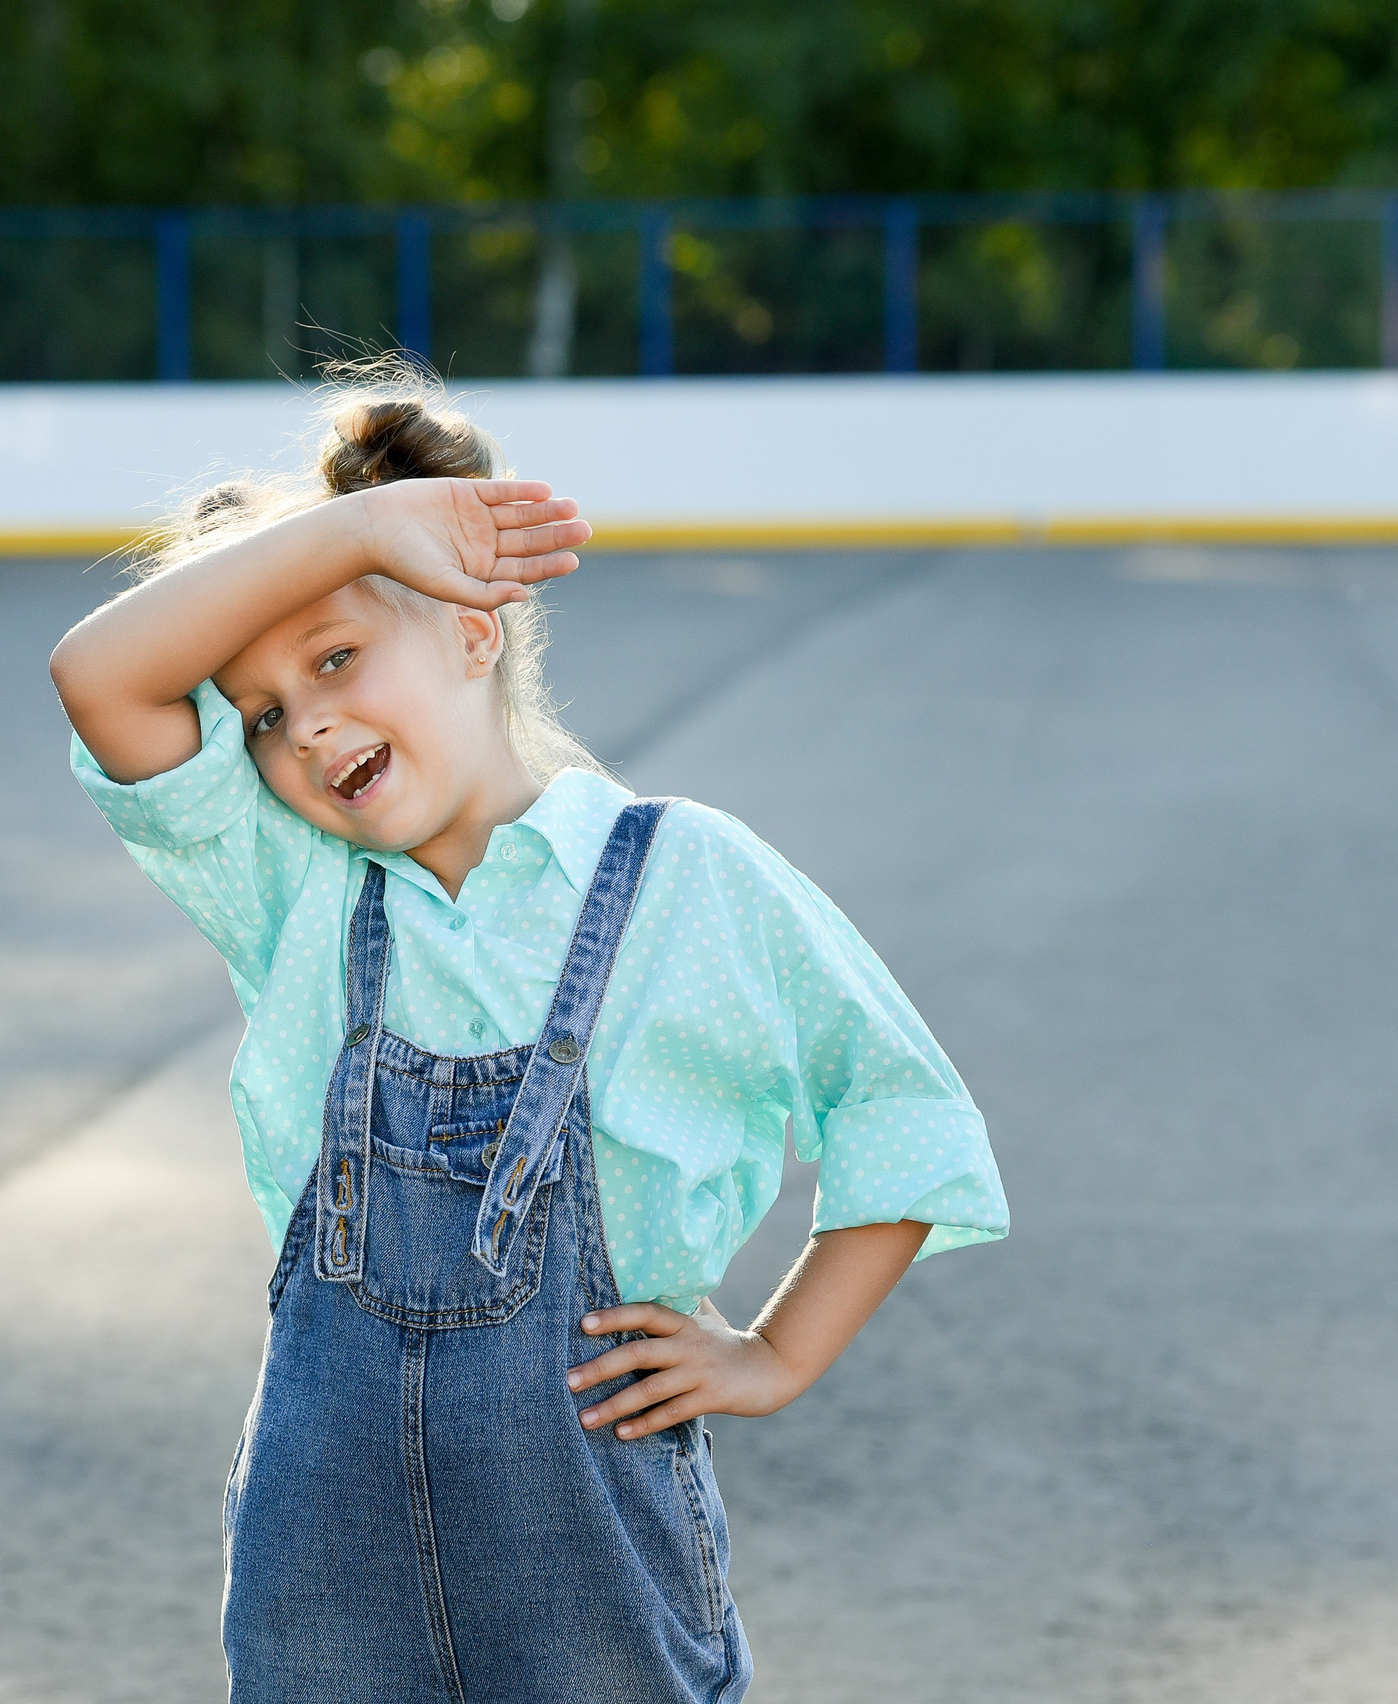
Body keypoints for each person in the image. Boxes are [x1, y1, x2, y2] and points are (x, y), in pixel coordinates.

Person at [49, 372, 1007, 1704]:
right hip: (328, 1569)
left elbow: (899, 1105)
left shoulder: (686, 876)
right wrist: (349, 538)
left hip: (592, 1568)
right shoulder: (296, 894)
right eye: (262, 713)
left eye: (335, 657)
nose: (308, 722)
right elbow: (95, 674)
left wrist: (777, 1353)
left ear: (473, 632)